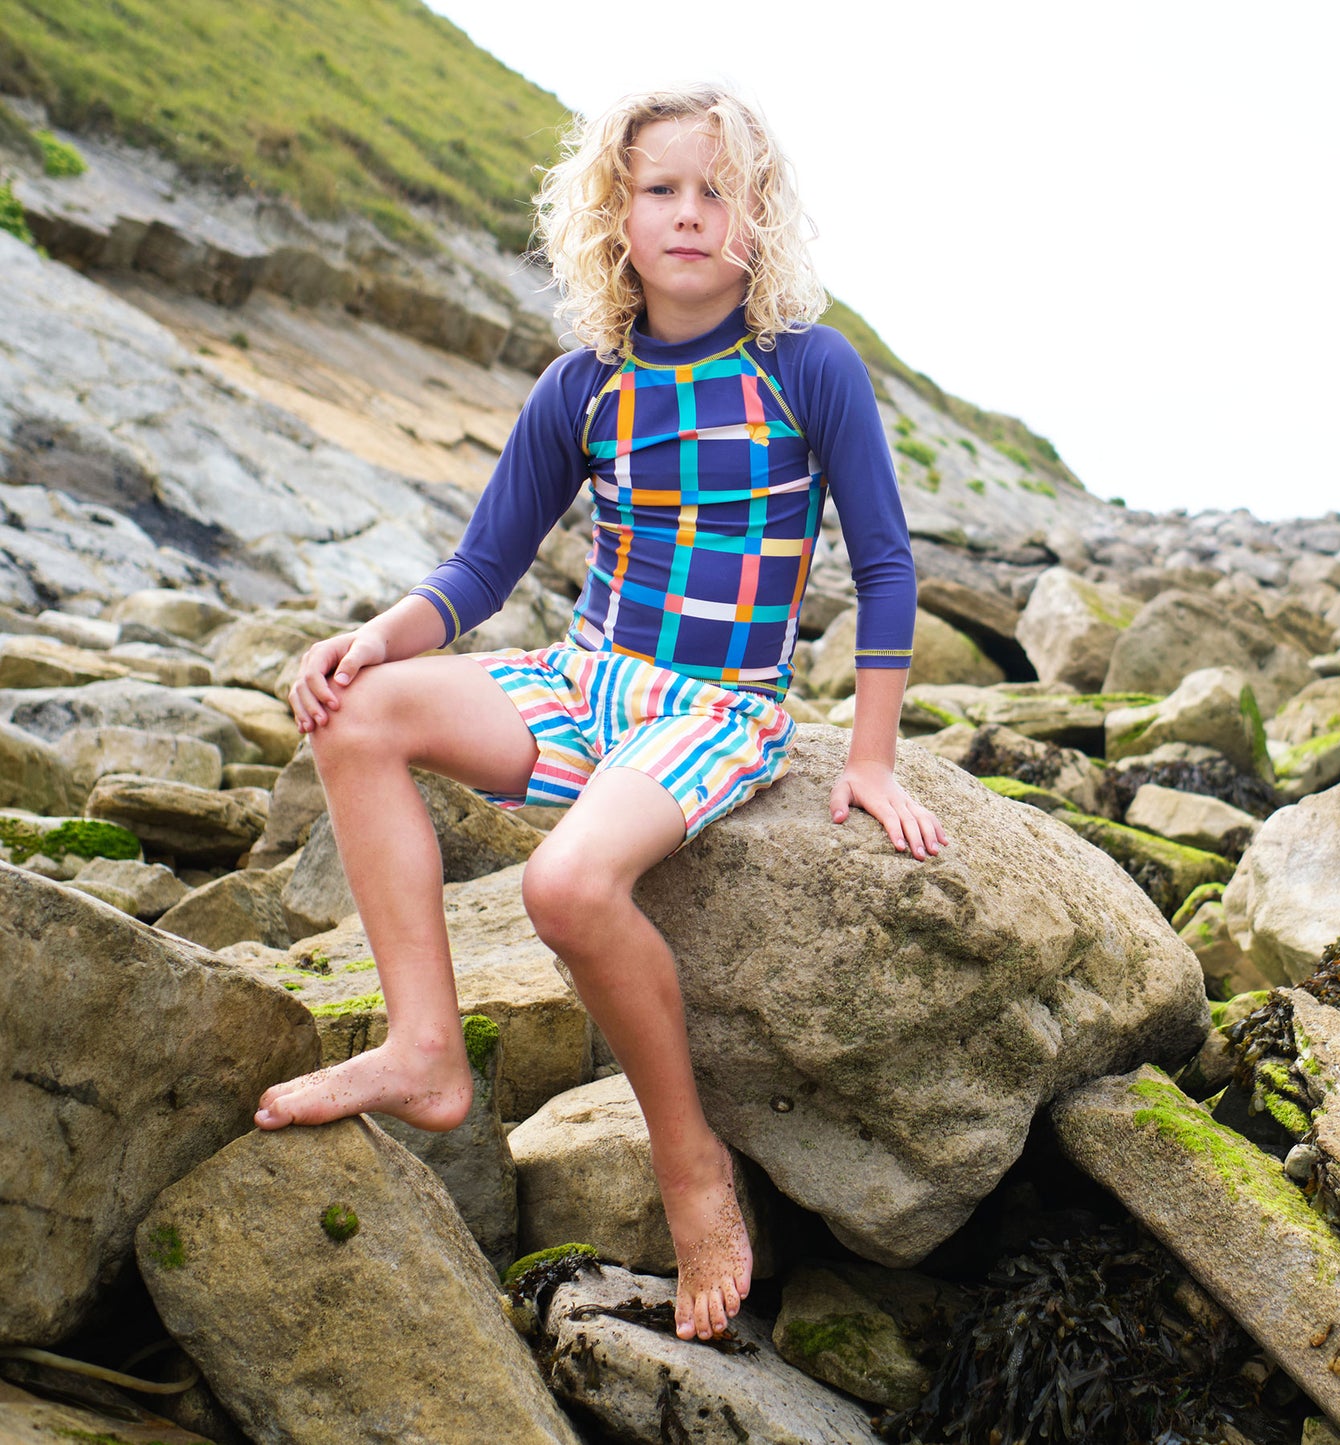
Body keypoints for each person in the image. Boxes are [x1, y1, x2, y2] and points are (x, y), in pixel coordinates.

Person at [257, 84, 947, 1342]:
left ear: (758, 215)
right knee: (354, 713)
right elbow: (480, 570)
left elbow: (887, 564)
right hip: (584, 683)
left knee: (567, 886)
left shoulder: (806, 365)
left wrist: (871, 756)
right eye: (658, 189)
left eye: (716, 190)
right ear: (614, 215)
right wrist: (374, 638)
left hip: (715, 705)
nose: (687, 213)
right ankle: (424, 1046)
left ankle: (690, 1165)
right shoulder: (584, 385)